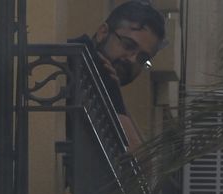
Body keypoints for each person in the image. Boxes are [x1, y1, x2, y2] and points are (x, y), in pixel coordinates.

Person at [70, 2, 166, 145]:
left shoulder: (104, 82)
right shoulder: (76, 62)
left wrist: (114, 94)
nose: (133, 60)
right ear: (103, 32)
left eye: (142, 58)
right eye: (128, 45)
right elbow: (136, 158)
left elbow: (143, 162)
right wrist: (112, 92)